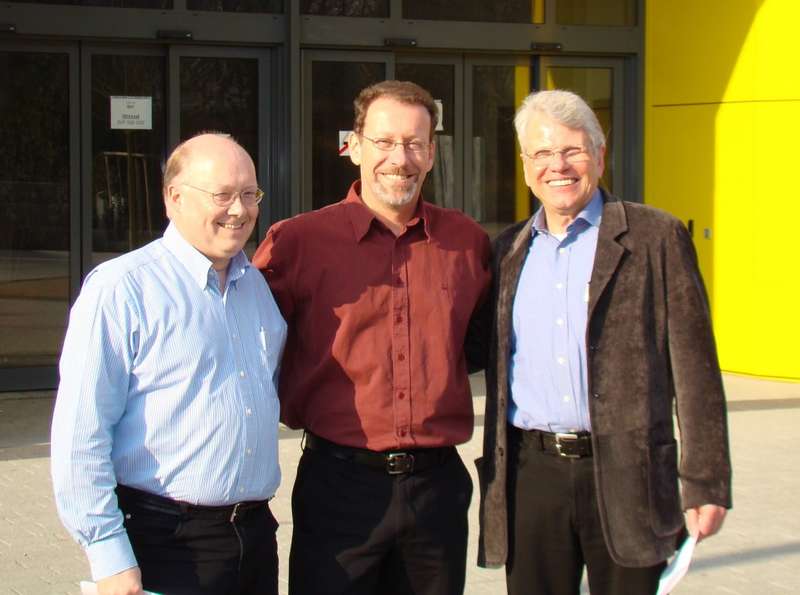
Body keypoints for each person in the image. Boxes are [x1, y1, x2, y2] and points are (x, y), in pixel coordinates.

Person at [474, 89, 732, 595]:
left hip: (628, 476)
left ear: (600, 155)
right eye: (543, 153)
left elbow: (696, 371)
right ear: (525, 166)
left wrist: (706, 481)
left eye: (572, 150)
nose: (559, 166)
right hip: (532, 478)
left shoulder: (656, 237)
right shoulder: (506, 252)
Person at [253, 80, 490, 595]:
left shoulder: (467, 243)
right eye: (383, 142)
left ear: (431, 153)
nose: (399, 158)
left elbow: (476, 345)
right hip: (338, 485)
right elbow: (244, 348)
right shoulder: (297, 242)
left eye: (414, 143)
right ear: (354, 145)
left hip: (437, 490)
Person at [51, 133, 287, 595]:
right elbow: (81, 435)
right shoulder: (122, 290)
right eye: (222, 195)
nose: (239, 210)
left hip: (253, 537)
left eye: (248, 194)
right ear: (173, 198)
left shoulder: (255, 288)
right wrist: (109, 557)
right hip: (165, 540)